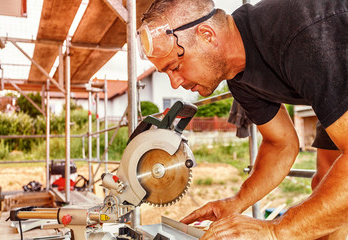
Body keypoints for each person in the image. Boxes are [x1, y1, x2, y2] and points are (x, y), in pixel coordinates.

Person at [136, 0, 348, 239]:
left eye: (175, 67)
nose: (174, 83)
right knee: (326, 190)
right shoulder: (237, 77)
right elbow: (280, 144)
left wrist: (276, 231)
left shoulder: (303, 33)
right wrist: (237, 201)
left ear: (207, 35)